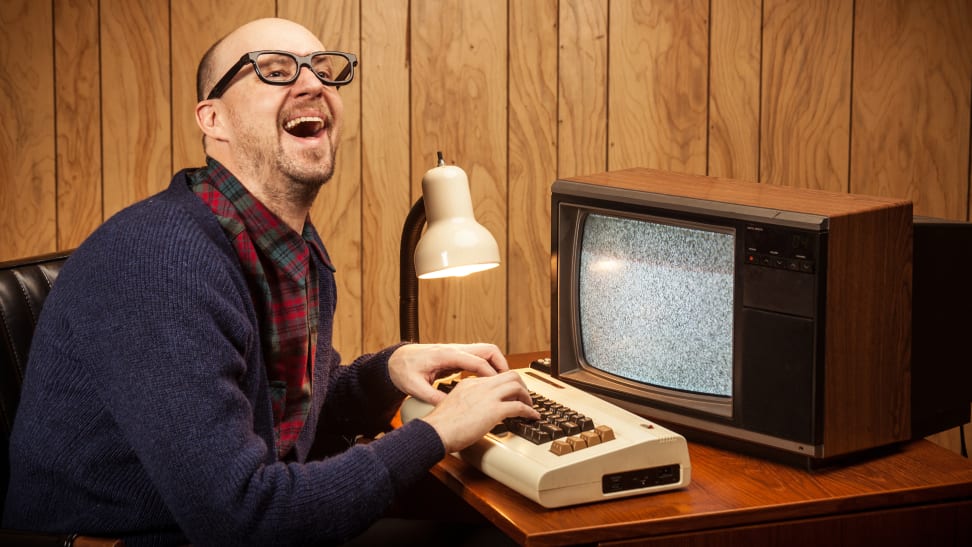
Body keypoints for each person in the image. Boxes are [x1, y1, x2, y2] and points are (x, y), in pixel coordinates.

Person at [3, 17, 539, 546]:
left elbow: (292, 430)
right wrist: (437, 434)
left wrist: (387, 370)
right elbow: (245, 518)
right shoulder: (161, 262)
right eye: (274, 70)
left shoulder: (289, 247)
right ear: (213, 119)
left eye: (323, 70)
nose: (312, 84)